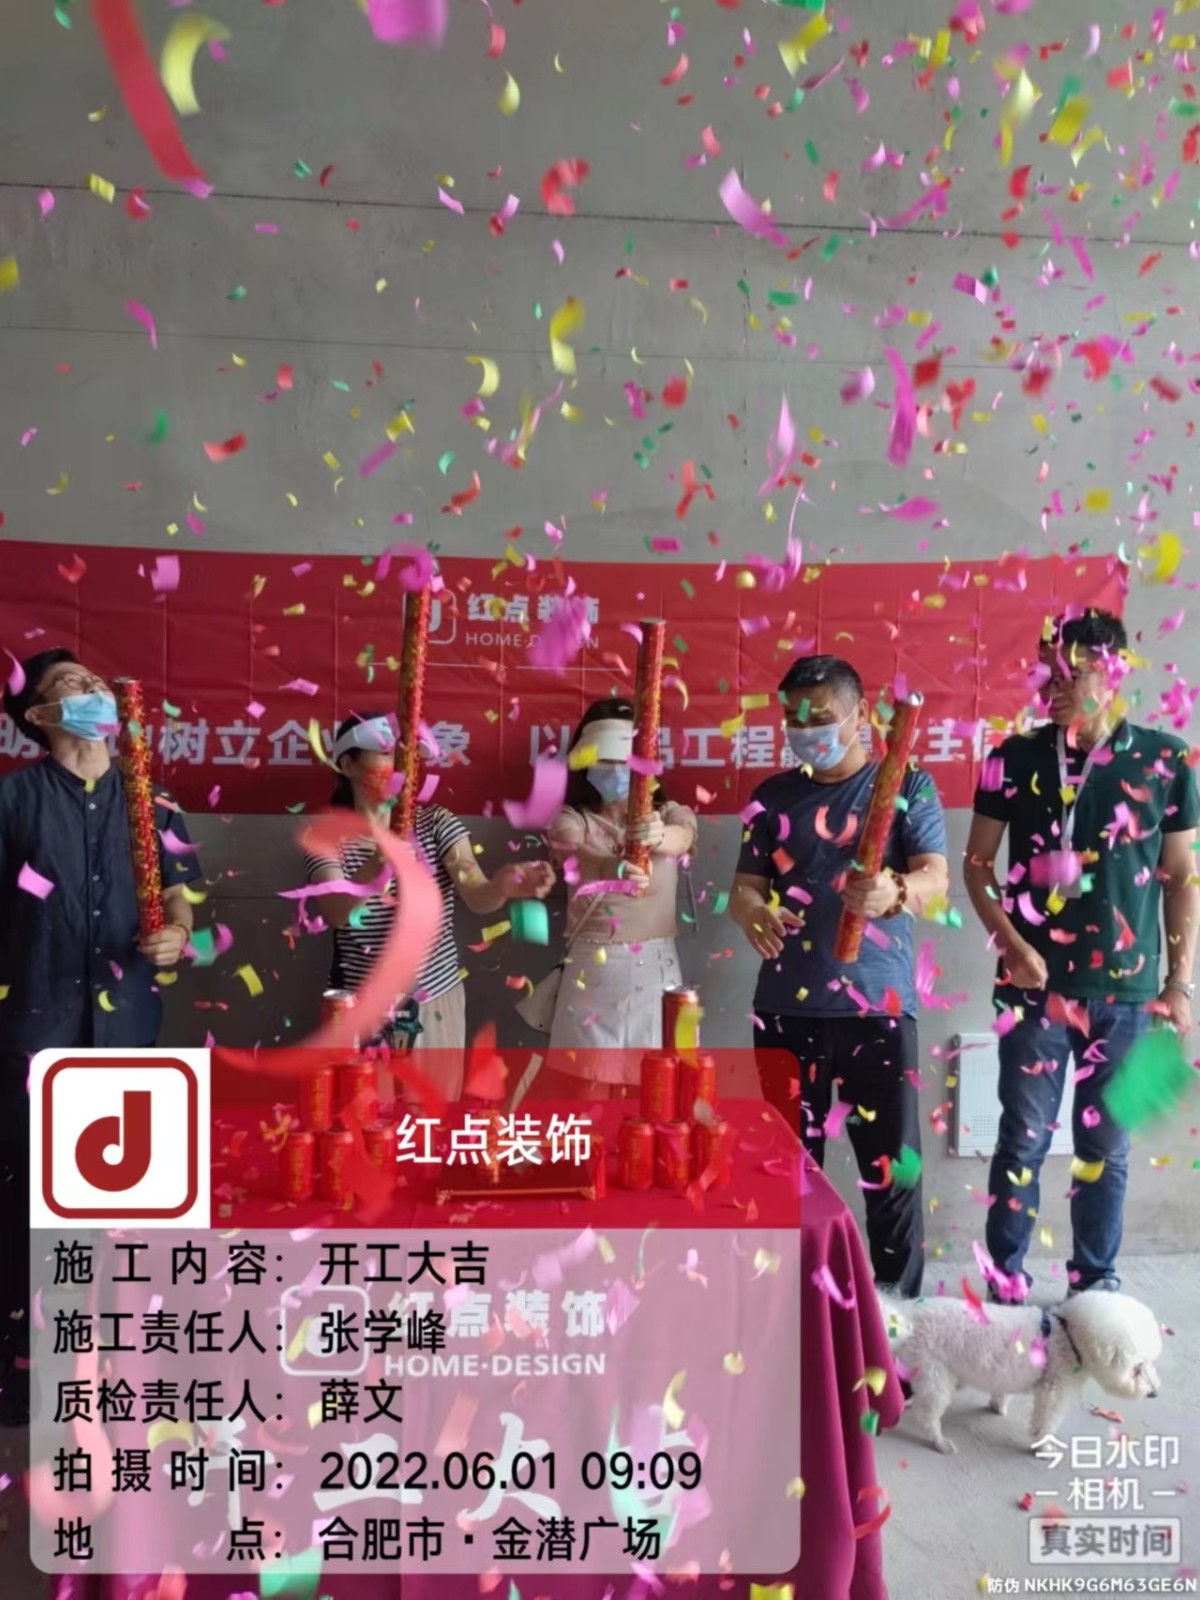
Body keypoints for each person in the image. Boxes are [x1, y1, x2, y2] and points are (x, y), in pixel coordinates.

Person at [964, 609, 1199, 1300]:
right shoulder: (1012, 756)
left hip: (1129, 992)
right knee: (1021, 1140)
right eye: (1046, 673)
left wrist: (1180, 982)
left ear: (1114, 672)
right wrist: (1012, 944)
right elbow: (976, 864)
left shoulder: (1166, 760)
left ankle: (1094, 1284)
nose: (1054, 686)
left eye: (1073, 673)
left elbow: (1182, 878)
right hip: (1033, 987)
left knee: (1107, 1149)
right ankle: (1005, 1283)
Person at [0, 648, 203, 1424]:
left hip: (129, 1036)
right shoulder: (14, 801)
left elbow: (184, 905)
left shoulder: (155, 803)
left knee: (125, 1218)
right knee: (33, 1213)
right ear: (39, 716)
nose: (91, 690)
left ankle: (122, 1381)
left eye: (93, 681)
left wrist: (176, 937)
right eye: (69, 686)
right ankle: (29, 1377)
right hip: (37, 1036)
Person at [730, 656, 949, 1297]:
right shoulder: (773, 796)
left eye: (820, 717)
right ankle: (792, 1306)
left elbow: (936, 879)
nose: (806, 731)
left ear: (862, 714)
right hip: (784, 1010)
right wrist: (752, 912)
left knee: (892, 1176)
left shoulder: (906, 784)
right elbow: (744, 888)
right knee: (786, 1175)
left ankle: (899, 1317)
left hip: (876, 1011)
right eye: (794, 718)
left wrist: (896, 890)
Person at [303, 712, 555, 1100]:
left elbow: (477, 894)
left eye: (408, 756)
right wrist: (382, 861)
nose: (401, 766)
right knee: (365, 1122)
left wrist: (503, 886)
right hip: (363, 1006)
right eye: (386, 754)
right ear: (348, 764)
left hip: (436, 1001)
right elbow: (338, 912)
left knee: (429, 1122)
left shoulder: (436, 823)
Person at [534, 697, 698, 1099]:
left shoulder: (669, 814)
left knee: (655, 1090)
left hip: (657, 968)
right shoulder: (570, 818)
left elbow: (683, 836)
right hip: (594, 967)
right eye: (604, 760)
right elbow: (572, 852)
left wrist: (657, 836)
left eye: (624, 760)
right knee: (586, 1092)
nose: (615, 770)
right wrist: (612, 867)